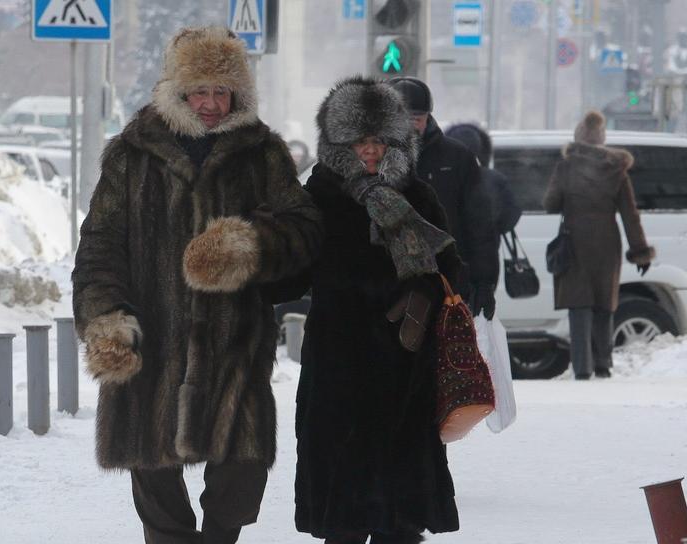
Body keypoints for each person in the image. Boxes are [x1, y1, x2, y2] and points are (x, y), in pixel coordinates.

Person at [71, 26, 323, 544]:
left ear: (238, 94)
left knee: (236, 481)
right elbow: (99, 244)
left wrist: (247, 245)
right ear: (179, 92)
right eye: (199, 91)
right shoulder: (131, 154)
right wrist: (106, 318)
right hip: (151, 339)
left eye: (221, 91)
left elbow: (305, 230)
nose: (210, 104)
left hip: (232, 344)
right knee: (156, 483)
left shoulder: (263, 153)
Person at [272, 76, 460, 544]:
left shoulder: (416, 195)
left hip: (404, 362)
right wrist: (250, 266)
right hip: (339, 362)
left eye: (379, 140)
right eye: (359, 141)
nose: (370, 151)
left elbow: (452, 271)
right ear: (339, 144)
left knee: (400, 516)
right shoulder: (317, 197)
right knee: (344, 512)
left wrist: (422, 296)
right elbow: (293, 275)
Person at [544, 111, 655, 380]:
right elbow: (630, 215)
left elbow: (550, 204)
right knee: (604, 304)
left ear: (580, 137)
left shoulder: (566, 167)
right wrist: (640, 252)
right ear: (601, 139)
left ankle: (582, 368)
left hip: (575, 241)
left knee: (579, 305)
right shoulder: (617, 170)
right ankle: (604, 364)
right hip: (607, 243)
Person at [386, 77, 498, 319]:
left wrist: (484, 282)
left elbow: (479, 224)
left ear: (428, 117)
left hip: (447, 282)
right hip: (386, 283)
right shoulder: (372, 158)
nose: (408, 126)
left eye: (415, 119)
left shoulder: (457, 158)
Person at [444, 123, 522, 239]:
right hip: (485, 250)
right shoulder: (495, 179)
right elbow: (511, 213)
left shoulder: (439, 177)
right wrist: (493, 230)